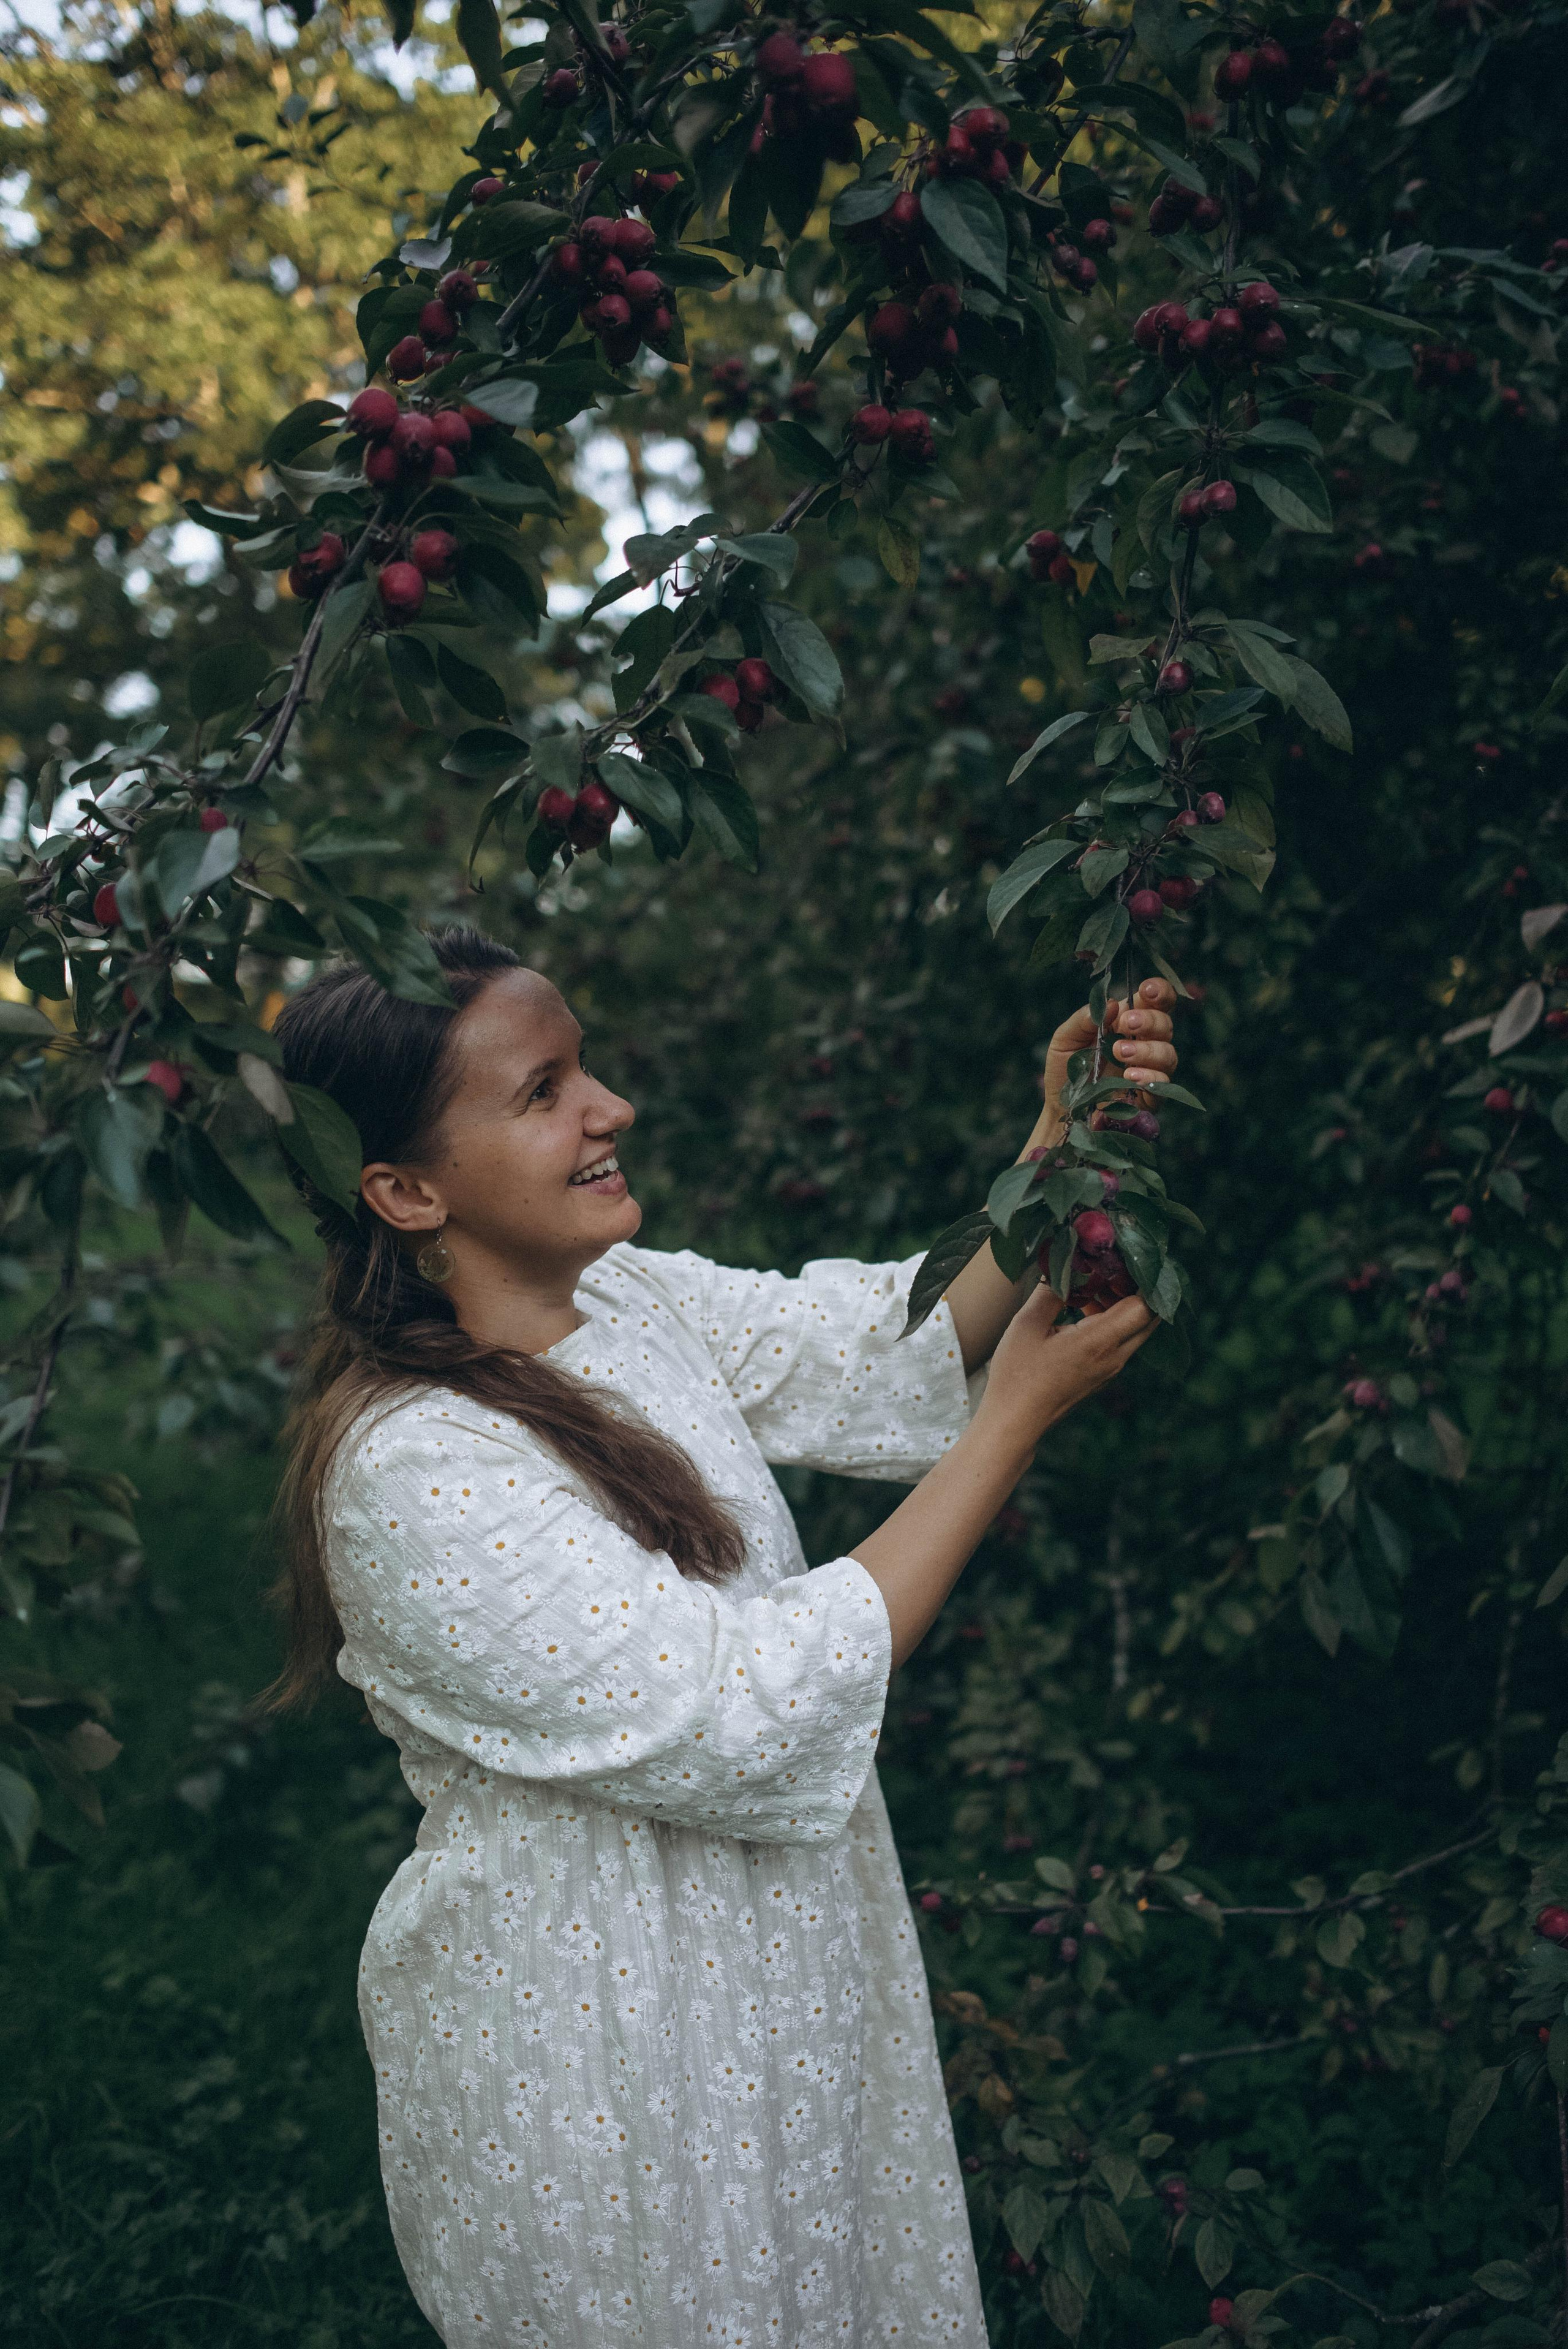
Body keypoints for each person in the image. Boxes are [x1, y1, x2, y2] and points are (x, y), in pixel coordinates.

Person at [262, 923, 1178, 2347]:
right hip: (597, 2050)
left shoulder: (623, 1304)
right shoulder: (412, 1470)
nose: (608, 1107)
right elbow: (742, 1708)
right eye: (542, 1090)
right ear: (404, 1189)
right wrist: (1008, 1427)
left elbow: (878, 1339)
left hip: (776, 1967)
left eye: (587, 1069)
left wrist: (1050, 1159)